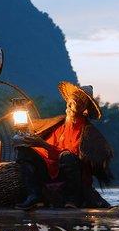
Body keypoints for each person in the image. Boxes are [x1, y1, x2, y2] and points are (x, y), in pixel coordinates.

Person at [13, 81, 113, 210]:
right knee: (23, 151)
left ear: (85, 109)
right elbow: (43, 149)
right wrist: (28, 141)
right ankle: (35, 196)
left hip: (71, 176)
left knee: (67, 157)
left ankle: (72, 199)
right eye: (74, 98)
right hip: (49, 172)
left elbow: (75, 157)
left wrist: (43, 145)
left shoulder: (87, 132)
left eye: (81, 101)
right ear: (68, 101)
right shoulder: (58, 123)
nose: (76, 102)